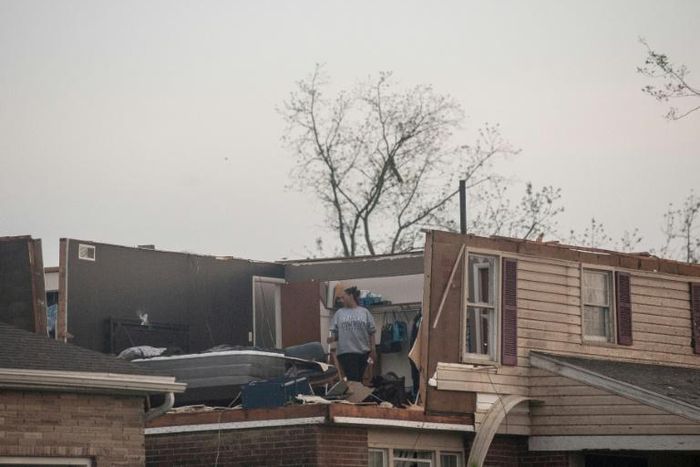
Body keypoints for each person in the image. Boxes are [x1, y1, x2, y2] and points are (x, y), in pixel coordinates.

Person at [328, 286, 377, 382]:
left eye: (343, 297)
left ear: (350, 296)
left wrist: (373, 349)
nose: (341, 300)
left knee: (359, 379)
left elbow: (372, 332)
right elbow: (337, 334)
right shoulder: (339, 313)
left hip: (363, 351)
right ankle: (355, 395)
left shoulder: (364, 312)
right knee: (353, 379)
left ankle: (357, 395)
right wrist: (333, 338)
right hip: (346, 352)